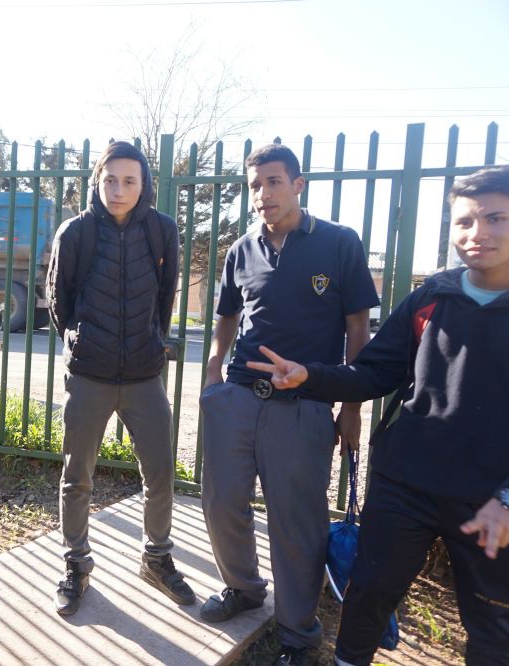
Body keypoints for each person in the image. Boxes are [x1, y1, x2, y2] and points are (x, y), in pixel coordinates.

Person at [247, 165, 509, 666]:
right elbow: (373, 373)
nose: (477, 234)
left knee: (493, 626)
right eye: (464, 222)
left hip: (489, 502)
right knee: (367, 595)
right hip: (406, 484)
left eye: (495, 219)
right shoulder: (432, 297)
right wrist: (311, 376)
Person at [199, 143, 379, 665]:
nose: (263, 194)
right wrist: (215, 376)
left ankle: (299, 633)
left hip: (303, 406)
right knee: (220, 502)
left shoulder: (339, 244)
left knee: (296, 523)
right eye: (255, 185)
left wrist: (351, 406)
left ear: (298, 184)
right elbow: (227, 316)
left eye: (274, 182)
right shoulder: (241, 249)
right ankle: (244, 588)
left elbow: (357, 327)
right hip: (236, 400)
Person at [46, 140, 189, 616]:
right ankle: (76, 564)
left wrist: (150, 342)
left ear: (144, 184)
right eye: (110, 179)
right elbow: (58, 302)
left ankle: (157, 558)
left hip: (145, 376)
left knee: (160, 474)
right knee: (77, 477)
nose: (119, 189)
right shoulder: (76, 233)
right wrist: (81, 342)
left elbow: (164, 300)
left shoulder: (162, 232)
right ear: (96, 181)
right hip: (90, 376)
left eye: (130, 180)